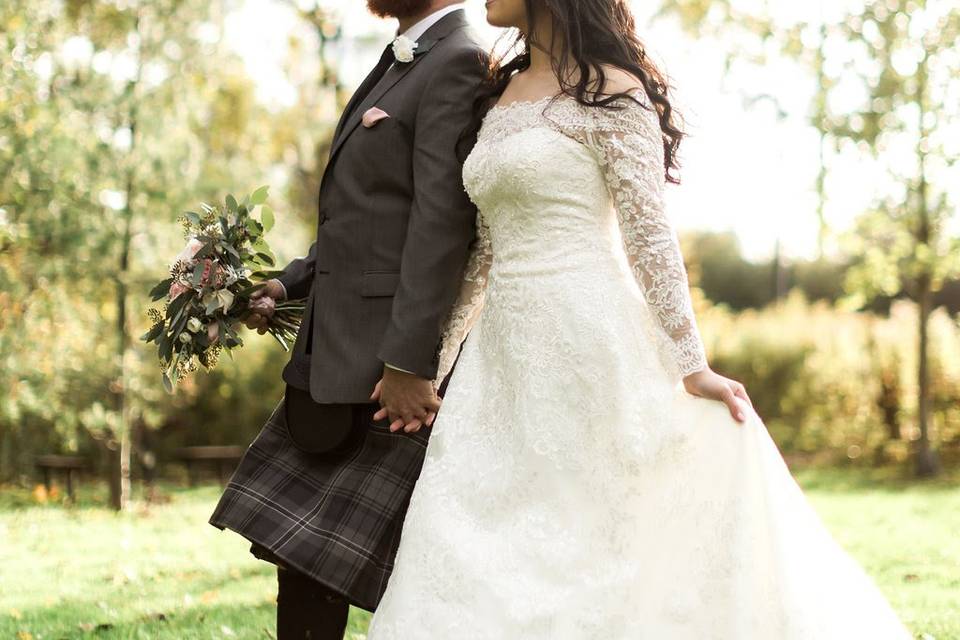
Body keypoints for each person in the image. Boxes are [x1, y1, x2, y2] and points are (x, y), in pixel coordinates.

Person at [365, 0, 913, 637]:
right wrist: (430, 364)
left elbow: (649, 240)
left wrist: (692, 365)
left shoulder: (612, 92)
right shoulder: (500, 93)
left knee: (598, 524)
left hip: (589, 333)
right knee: (488, 521)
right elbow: (483, 256)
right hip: (501, 359)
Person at [208, 2, 486, 638]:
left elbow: (441, 223)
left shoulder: (458, 59)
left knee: (324, 562)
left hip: (383, 367)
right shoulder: (405, 55)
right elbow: (363, 222)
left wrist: (409, 364)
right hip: (333, 348)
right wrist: (286, 282)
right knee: (297, 559)